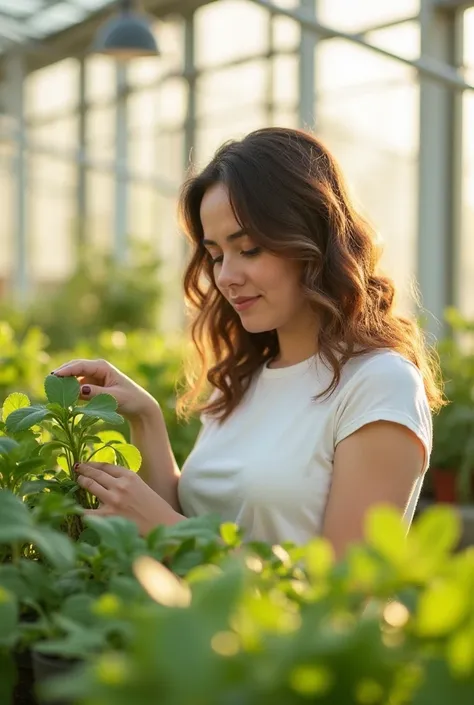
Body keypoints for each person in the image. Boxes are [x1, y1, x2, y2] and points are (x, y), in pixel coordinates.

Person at [53, 127, 443, 558]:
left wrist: (167, 528)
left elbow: (342, 593)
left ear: (313, 238)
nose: (225, 277)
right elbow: (203, 520)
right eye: (217, 255)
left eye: (250, 249)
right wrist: (146, 418)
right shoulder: (242, 376)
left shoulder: (378, 384)